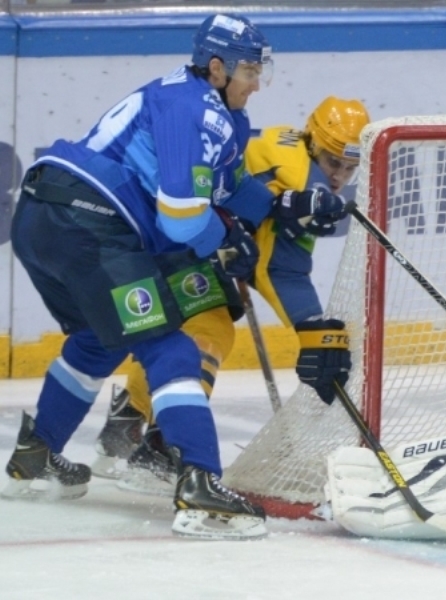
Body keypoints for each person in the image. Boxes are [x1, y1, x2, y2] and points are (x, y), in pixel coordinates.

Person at [2, 13, 278, 539]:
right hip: (92, 224)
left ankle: (35, 457)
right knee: (169, 348)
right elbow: (182, 219)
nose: (257, 83)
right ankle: (199, 484)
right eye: (248, 71)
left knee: (96, 340)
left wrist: (282, 207)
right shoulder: (195, 109)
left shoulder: (199, 103)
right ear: (216, 67)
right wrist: (225, 239)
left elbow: (230, 187)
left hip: (42, 217)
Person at [91, 96, 370, 493]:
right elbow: (277, 264)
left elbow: (274, 260)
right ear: (313, 142)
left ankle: (129, 415)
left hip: (162, 237)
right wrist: (310, 325)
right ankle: (161, 444)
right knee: (209, 332)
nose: (340, 175)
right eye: (333, 162)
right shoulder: (298, 175)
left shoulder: (295, 160)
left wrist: (310, 325)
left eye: (348, 166)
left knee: (169, 335)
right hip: (176, 240)